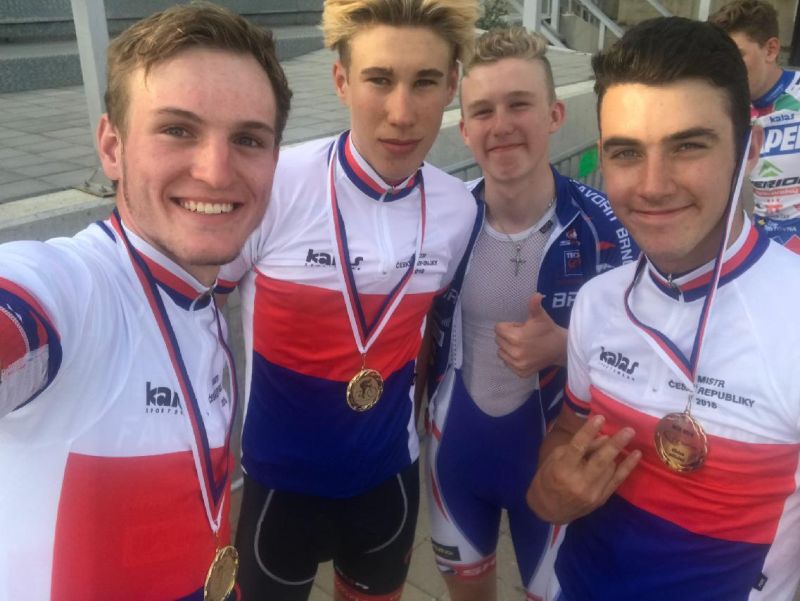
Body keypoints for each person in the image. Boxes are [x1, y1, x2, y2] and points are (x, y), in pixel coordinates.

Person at [0, 3, 291, 600]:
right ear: (112, 147)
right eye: (178, 130)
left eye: (247, 139)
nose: (216, 172)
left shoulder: (200, 295)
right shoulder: (77, 290)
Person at [526, 16, 800, 601]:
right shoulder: (599, 301)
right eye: (627, 152)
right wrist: (550, 488)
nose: (652, 185)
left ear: (749, 150)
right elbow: (569, 429)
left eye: (688, 146)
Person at [217, 1, 479, 599]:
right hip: (280, 490)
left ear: (452, 87)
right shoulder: (277, 184)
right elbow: (197, 310)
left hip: (387, 485)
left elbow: (426, 340)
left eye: (425, 82)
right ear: (341, 81)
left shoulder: (457, 209)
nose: (401, 113)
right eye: (379, 80)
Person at [423, 26, 637, 601]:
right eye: (483, 111)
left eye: (519, 104)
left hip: (556, 464)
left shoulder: (607, 228)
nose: (501, 126)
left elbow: (657, 352)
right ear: (465, 129)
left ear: (555, 115)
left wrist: (568, 346)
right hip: (456, 458)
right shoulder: (443, 221)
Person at [710, 0, 800, 253]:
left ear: (771, 50)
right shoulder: (729, 108)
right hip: (764, 248)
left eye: (737, 56)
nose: (727, 69)